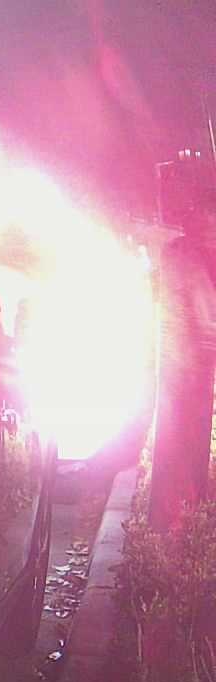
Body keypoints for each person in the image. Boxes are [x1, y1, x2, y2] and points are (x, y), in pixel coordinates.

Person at [152, 187, 216, 531]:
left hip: (181, 368)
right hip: (188, 368)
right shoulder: (188, 259)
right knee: (184, 447)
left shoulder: (179, 253)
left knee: (179, 447)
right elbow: (206, 318)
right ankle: (179, 521)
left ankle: (173, 520)